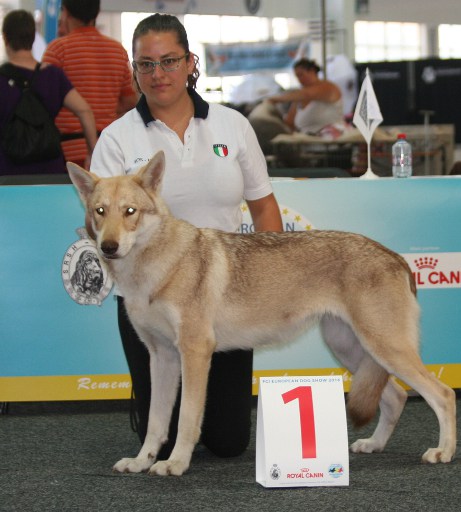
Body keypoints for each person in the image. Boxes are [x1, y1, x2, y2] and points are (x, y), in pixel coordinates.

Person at [90, 13, 283, 458]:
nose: (158, 75)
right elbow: (106, 224)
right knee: (160, 437)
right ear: (134, 70)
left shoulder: (232, 124)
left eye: (169, 61)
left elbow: (264, 206)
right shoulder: (116, 137)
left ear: (190, 61)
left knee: (229, 442)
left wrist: (270, 271)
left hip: (228, 292)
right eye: (146, 64)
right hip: (149, 297)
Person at [42, 0, 137, 168]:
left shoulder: (57, 50)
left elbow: (43, 103)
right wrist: (104, 110)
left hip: (66, 150)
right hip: (109, 148)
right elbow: (130, 101)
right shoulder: (117, 50)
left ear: (65, 13)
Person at [0, 9, 97, 175]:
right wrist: (92, 152)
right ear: (33, 37)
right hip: (51, 169)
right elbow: (84, 110)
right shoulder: (53, 75)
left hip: (8, 171)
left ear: (5, 37)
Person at [269, 57, 344, 135]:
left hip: (332, 141)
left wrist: (274, 99)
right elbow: (289, 122)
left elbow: (307, 94)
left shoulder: (329, 87)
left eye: (301, 75)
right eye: (297, 76)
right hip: (306, 142)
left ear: (312, 71)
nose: (299, 79)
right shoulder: (299, 98)